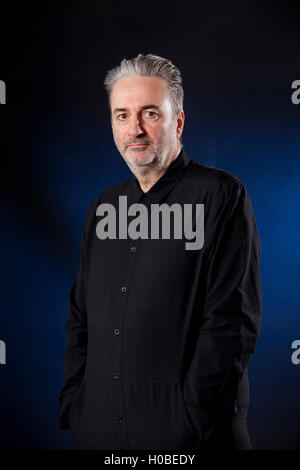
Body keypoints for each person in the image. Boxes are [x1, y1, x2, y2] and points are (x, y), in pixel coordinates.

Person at [58, 53, 262, 451]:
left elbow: (232, 322)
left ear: (178, 121)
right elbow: (80, 317)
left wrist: (189, 420)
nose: (134, 128)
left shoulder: (221, 196)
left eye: (149, 113)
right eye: (121, 115)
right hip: (103, 438)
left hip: (191, 440)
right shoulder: (104, 207)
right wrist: (77, 405)